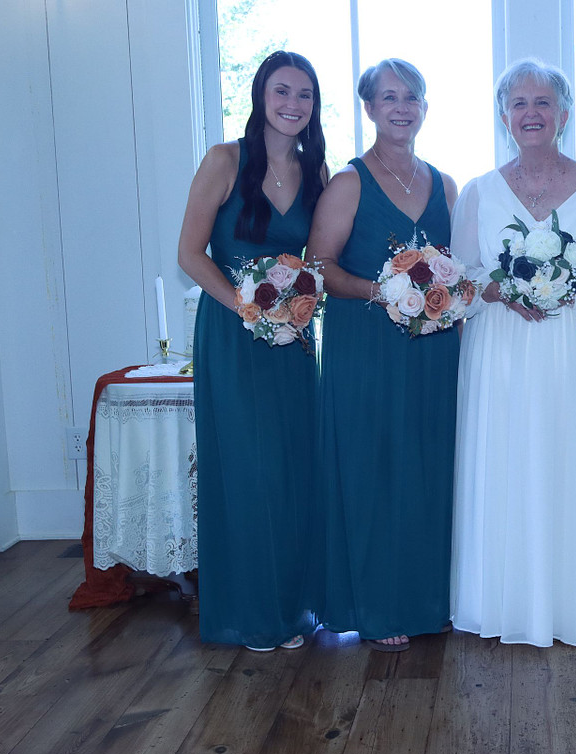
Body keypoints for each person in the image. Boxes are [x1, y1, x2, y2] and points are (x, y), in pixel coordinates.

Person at [450, 58, 576, 647]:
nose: (531, 114)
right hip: (502, 351)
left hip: (575, 349)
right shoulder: (477, 193)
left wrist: (569, 283)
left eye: (543, 103)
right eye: (519, 103)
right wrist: (497, 290)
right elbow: (460, 278)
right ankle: (503, 599)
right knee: (507, 463)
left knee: (570, 462)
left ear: (564, 113)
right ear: (504, 115)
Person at [308, 59, 459, 652]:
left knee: (429, 469)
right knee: (375, 470)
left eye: (412, 97)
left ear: (425, 107)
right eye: (389, 97)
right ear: (369, 108)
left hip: (433, 351)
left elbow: (457, 269)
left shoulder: (445, 185)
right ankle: (378, 605)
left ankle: (430, 601)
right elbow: (319, 267)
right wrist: (383, 291)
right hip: (366, 349)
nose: (402, 107)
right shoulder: (349, 183)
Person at [178, 51, 327, 651]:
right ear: (261, 96)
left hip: (291, 339)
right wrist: (246, 307)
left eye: (305, 94)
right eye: (282, 91)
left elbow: (319, 260)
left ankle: (291, 608)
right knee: (249, 469)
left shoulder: (315, 171)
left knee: (292, 469)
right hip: (232, 334)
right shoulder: (224, 160)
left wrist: (299, 303)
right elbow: (189, 254)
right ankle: (252, 611)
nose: (293, 104)